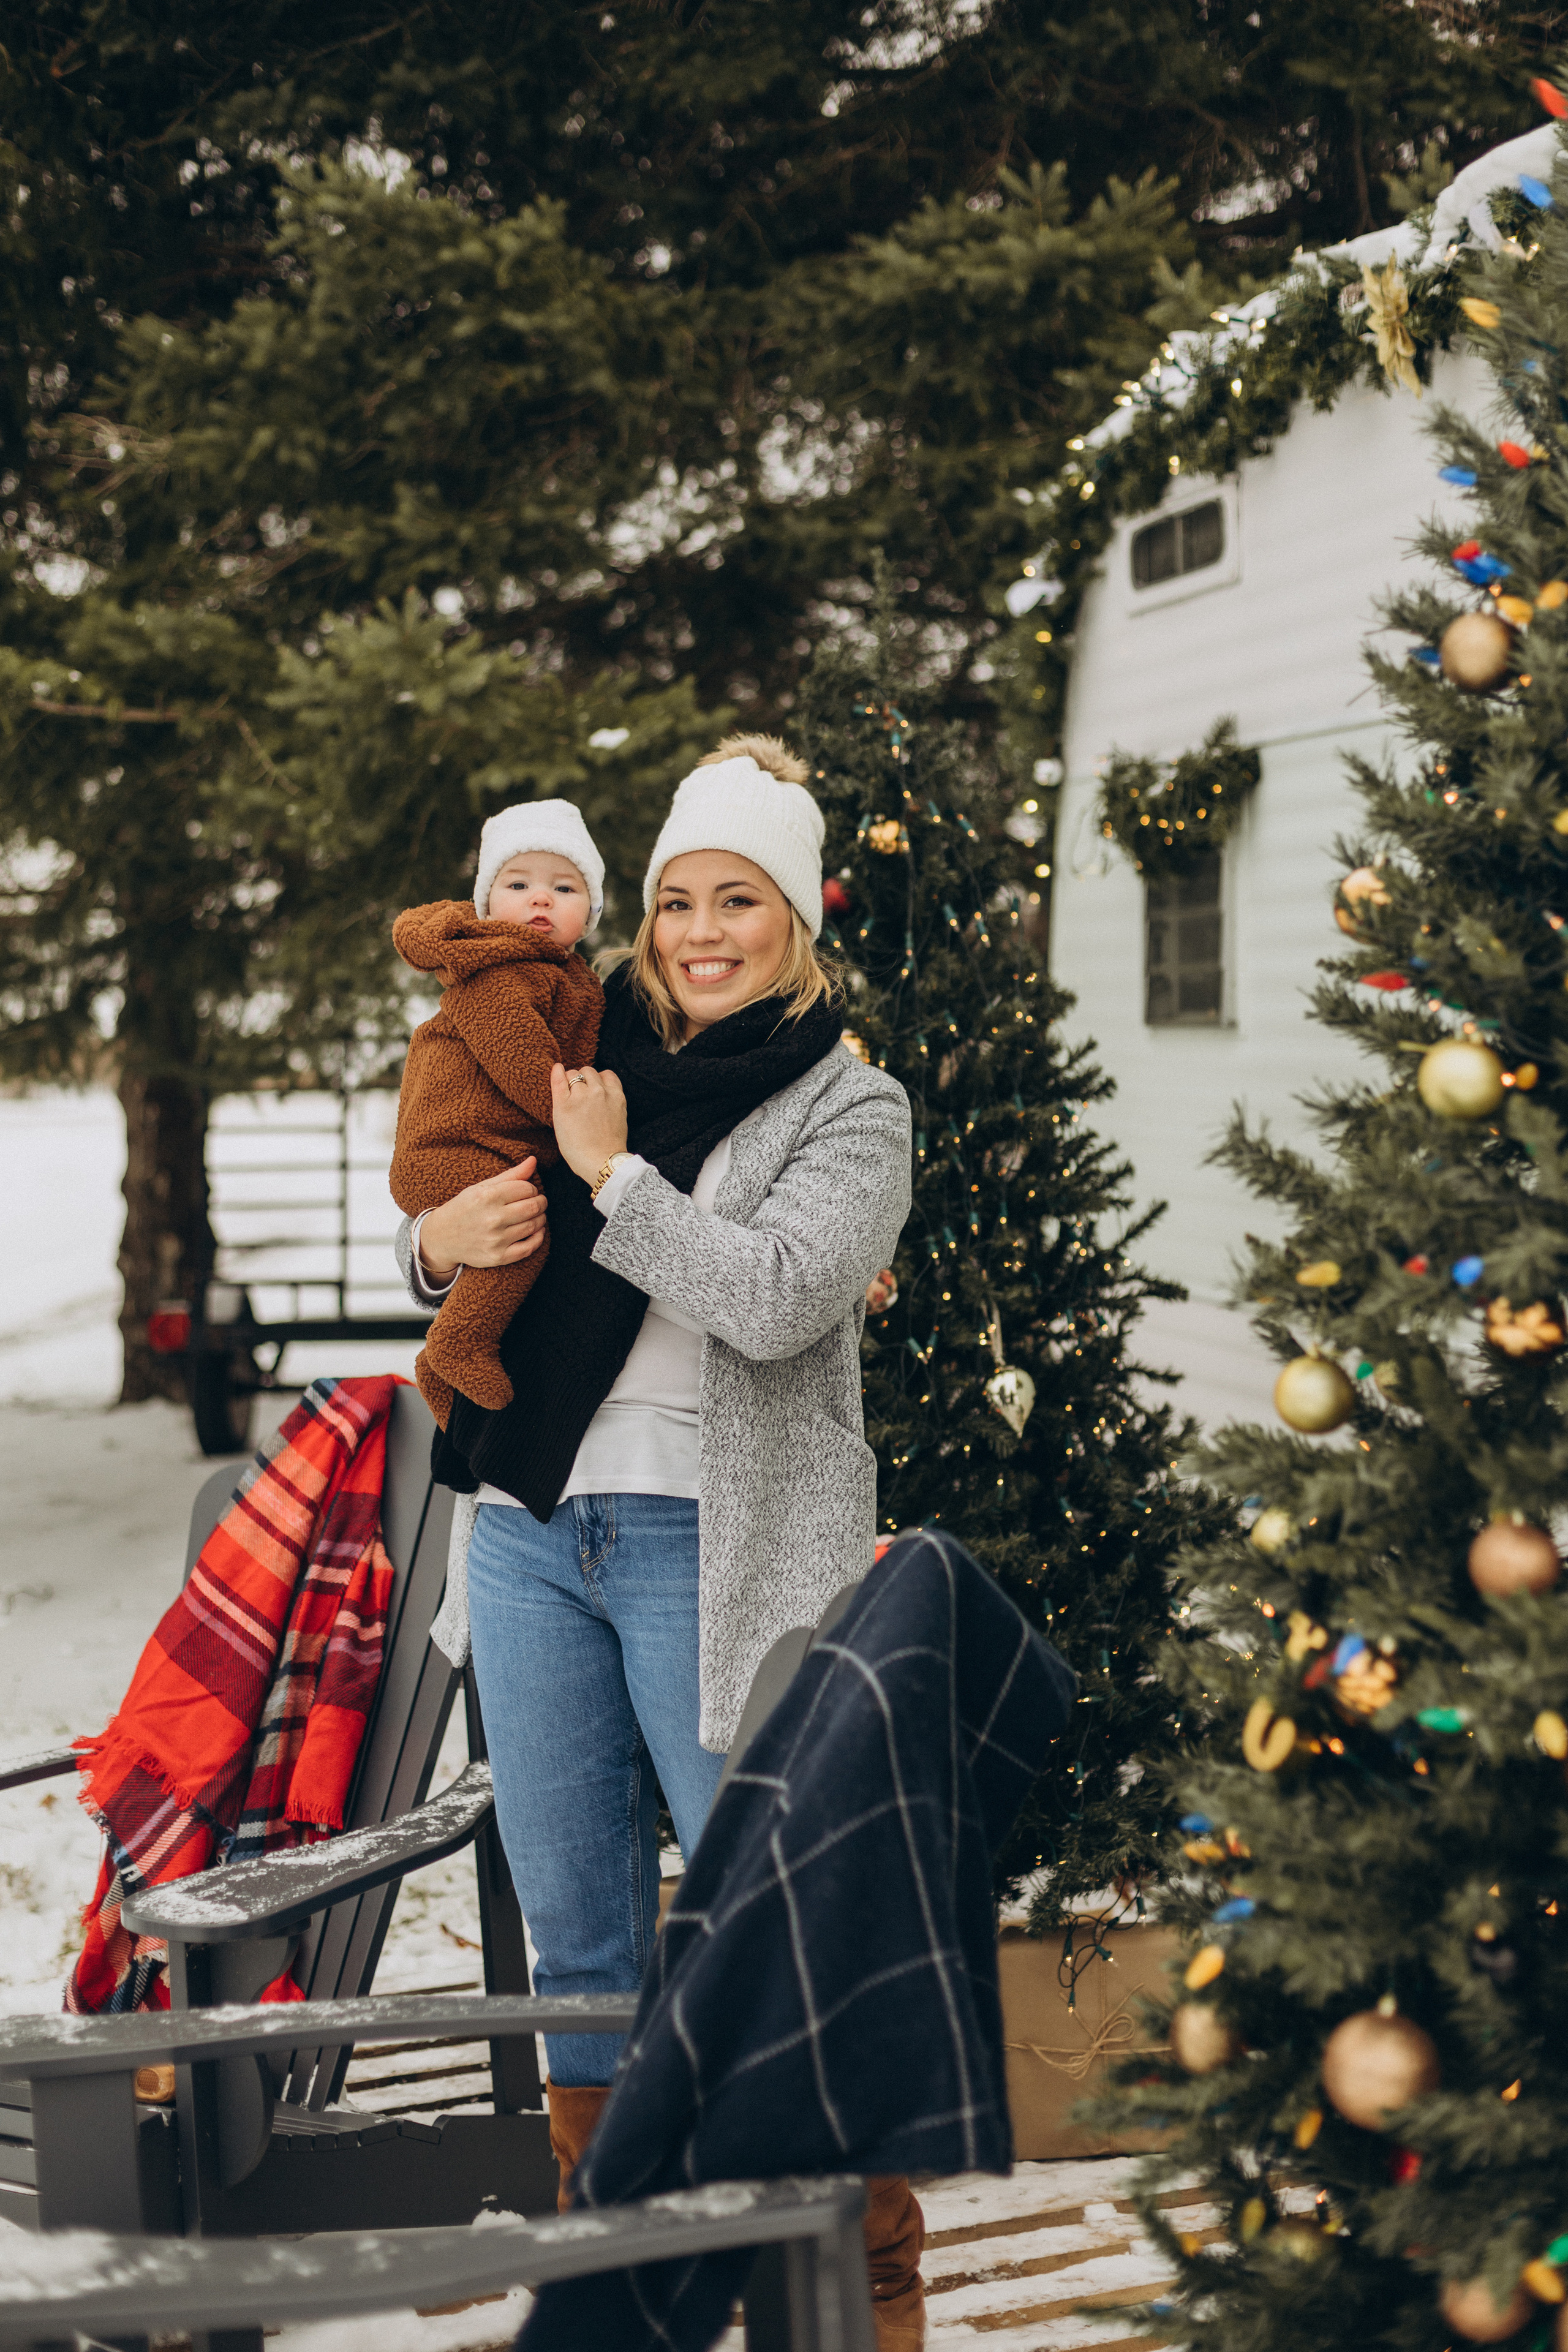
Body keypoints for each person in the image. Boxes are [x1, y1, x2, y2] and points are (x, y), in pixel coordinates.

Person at [396, 738, 924, 2344]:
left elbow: (771, 1299)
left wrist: (614, 1174)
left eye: (740, 899)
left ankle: (855, 2297)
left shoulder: (855, 1104)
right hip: (535, 1534)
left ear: (797, 916)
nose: (704, 930)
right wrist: (434, 1240)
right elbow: (455, 1150)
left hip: (730, 1551)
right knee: (584, 1946)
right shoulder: (583, 1037)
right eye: (681, 896)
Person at [388, 802, 604, 1425]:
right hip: (451, 1151)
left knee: (520, 1226)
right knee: (521, 1233)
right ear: (488, 905)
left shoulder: (567, 974)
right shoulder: (496, 970)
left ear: (589, 912)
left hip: (487, 1146)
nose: (541, 899)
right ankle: (455, 1346)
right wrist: (575, 1119)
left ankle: (455, 1349)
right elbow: (520, 1060)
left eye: (564, 888)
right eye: (518, 885)